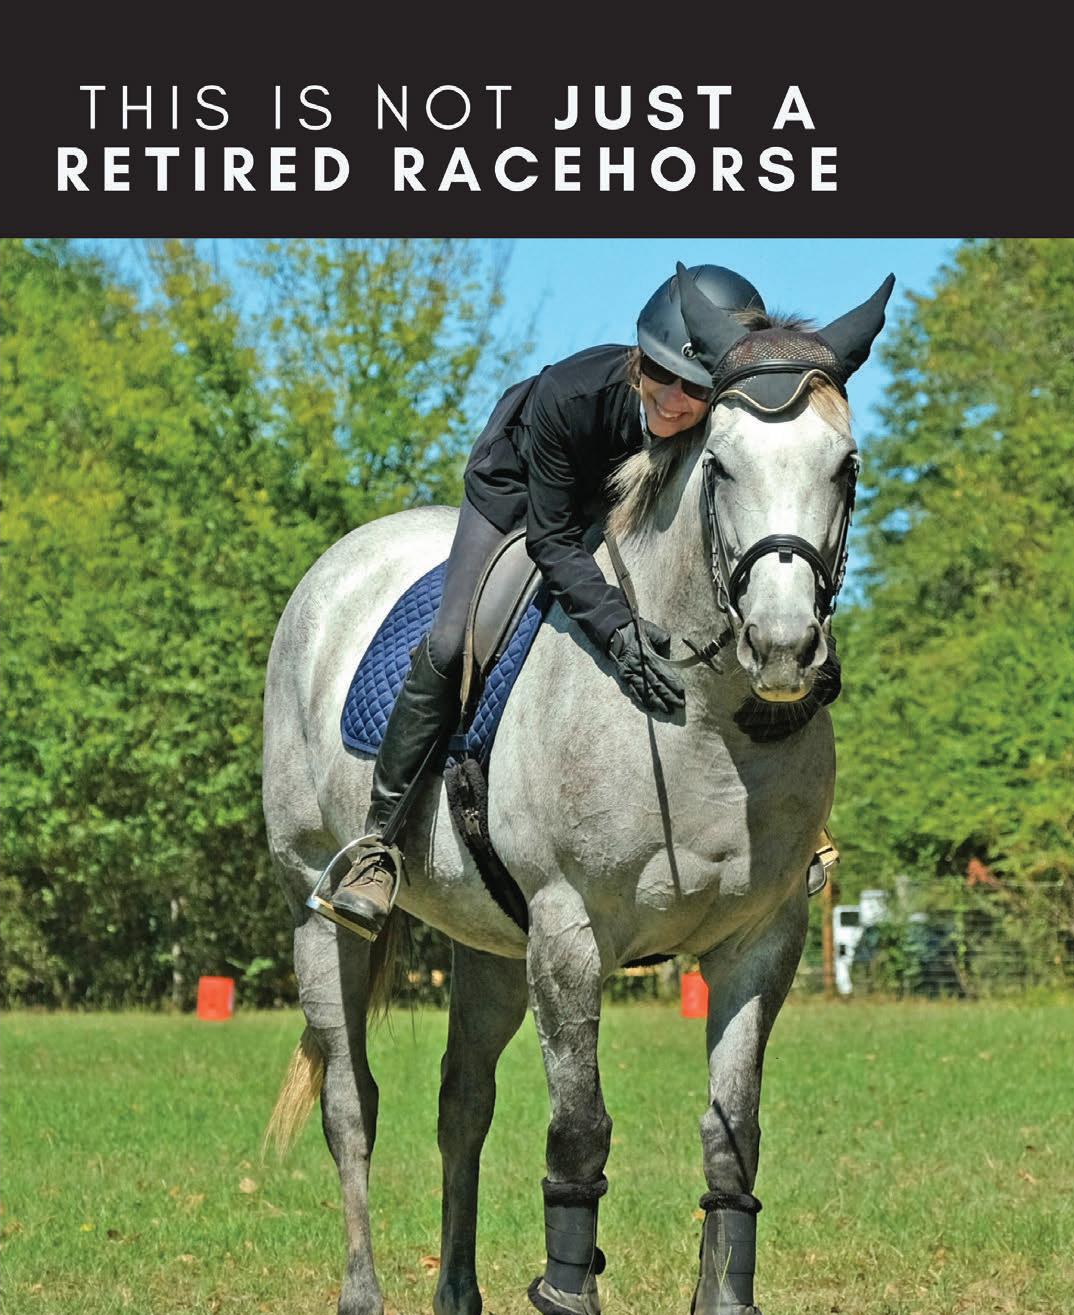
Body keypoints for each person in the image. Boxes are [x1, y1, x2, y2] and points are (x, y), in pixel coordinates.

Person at [314, 263, 766, 942]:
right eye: (661, 374)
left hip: (612, 506)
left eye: (697, 388)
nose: (674, 401)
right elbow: (552, 542)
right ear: (639, 358)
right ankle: (377, 847)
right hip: (520, 497)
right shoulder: (571, 394)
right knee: (452, 638)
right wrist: (615, 628)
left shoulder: (719, 432)